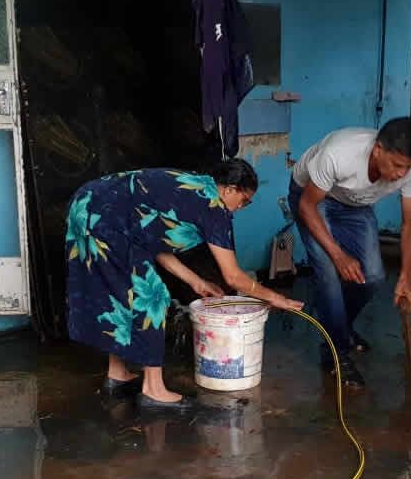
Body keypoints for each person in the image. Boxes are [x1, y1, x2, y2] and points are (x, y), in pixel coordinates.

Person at [65, 160, 303, 409]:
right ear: (229, 189)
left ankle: (117, 373)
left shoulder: (194, 187)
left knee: (119, 293)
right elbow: (233, 277)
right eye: (244, 201)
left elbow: (151, 241)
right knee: (153, 297)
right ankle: (153, 390)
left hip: (88, 205)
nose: (241, 208)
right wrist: (276, 298)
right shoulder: (212, 208)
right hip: (104, 219)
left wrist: (196, 281)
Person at [289, 117, 411, 388]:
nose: (401, 174)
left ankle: (339, 326)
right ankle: (335, 352)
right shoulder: (340, 153)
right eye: (397, 165)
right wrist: (339, 255)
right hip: (314, 199)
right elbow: (307, 206)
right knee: (329, 273)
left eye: (407, 167)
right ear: (377, 150)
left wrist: (406, 277)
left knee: (373, 276)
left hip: (355, 204)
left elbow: (410, 223)